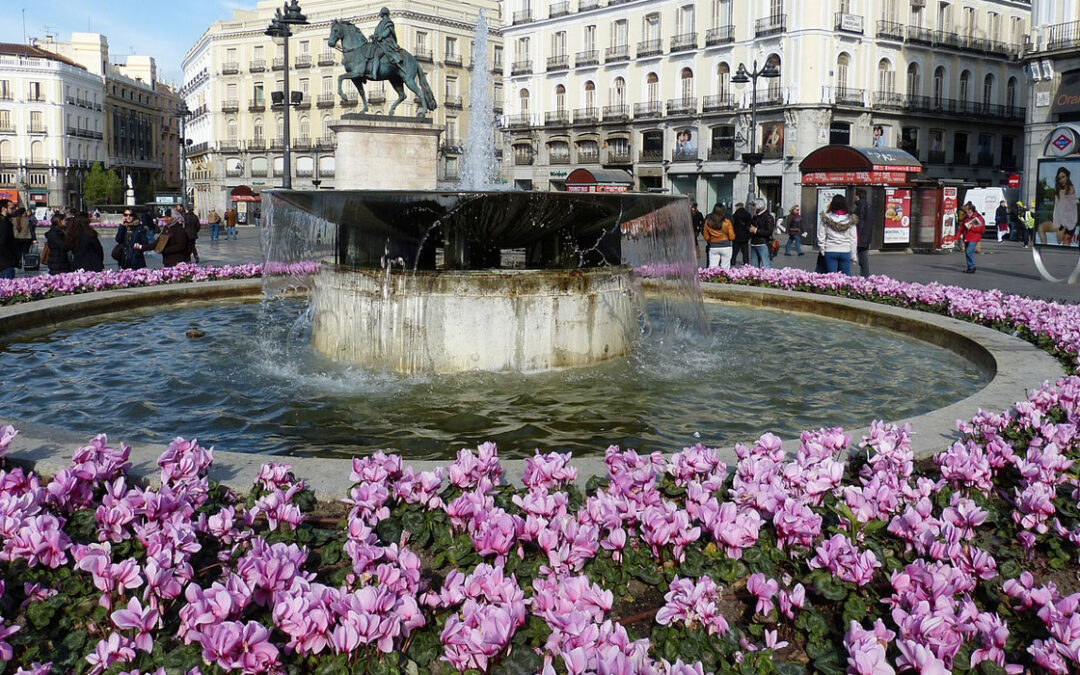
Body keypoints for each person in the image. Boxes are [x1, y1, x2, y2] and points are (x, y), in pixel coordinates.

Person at [817, 193, 858, 275]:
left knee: (831, 278)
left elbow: (821, 235)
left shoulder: (826, 218)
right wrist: (853, 255)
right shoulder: (850, 219)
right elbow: (853, 239)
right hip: (845, 251)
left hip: (830, 250)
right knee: (846, 278)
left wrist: (822, 249)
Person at [369, 7, 403, 80]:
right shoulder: (380, 23)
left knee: (376, 55)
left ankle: (374, 73)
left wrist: (381, 36)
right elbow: (377, 32)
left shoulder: (389, 22)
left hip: (386, 42)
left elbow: (387, 31)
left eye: (381, 13)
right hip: (378, 41)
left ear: (384, 13)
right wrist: (374, 36)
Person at [702, 203, 735, 269]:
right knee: (725, 267)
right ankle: (724, 278)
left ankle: (712, 278)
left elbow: (706, 235)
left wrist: (710, 240)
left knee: (712, 267)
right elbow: (732, 237)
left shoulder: (708, 222)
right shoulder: (727, 222)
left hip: (713, 246)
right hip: (726, 246)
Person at [957, 201, 985, 273]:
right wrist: (956, 237)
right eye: (966, 210)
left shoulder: (978, 217)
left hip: (974, 237)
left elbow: (981, 228)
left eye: (968, 210)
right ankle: (970, 267)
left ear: (972, 210)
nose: (967, 211)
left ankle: (972, 266)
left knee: (969, 251)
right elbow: (961, 228)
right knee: (967, 252)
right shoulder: (966, 218)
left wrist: (972, 228)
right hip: (967, 237)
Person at [1053, 166, 1077, 246]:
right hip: (1060, 222)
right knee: (1059, 241)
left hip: (1070, 222)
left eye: (1063, 177)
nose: (1062, 180)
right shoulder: (1058, 192)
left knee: (1066, 244)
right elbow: (1057, 210)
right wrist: (1057, 227)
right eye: (1060, 178)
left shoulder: (1070, 189)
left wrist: (1063, 229)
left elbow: (1068, 211)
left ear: (1067, 176)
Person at [748, 199, 775, 269]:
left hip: (763, 243)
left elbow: (769, 231)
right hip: (754, 243)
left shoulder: (768, 217)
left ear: (759, 206)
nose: (752, 207)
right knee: (754, 266)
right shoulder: (755, 216)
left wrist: (756, 230)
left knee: (766, 264)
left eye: (754, 205)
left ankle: (768, 278)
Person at [854, 191, 872, 277]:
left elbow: (860, 223)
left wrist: (858, 237)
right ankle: (865, 276)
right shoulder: (868, 205)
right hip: (866, 236)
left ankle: (865, 277)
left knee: (863, 259)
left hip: (861, 237)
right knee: (863, 258)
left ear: (857, 196)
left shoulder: (861, 206)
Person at [0, 199, 18, 279]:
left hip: (4, 259)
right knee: (8, 287)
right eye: (12, 208)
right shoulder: (4, 223)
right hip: (5, 260)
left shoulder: (5, 221)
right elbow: (2, 241)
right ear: (4, 209)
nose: (14, 210)